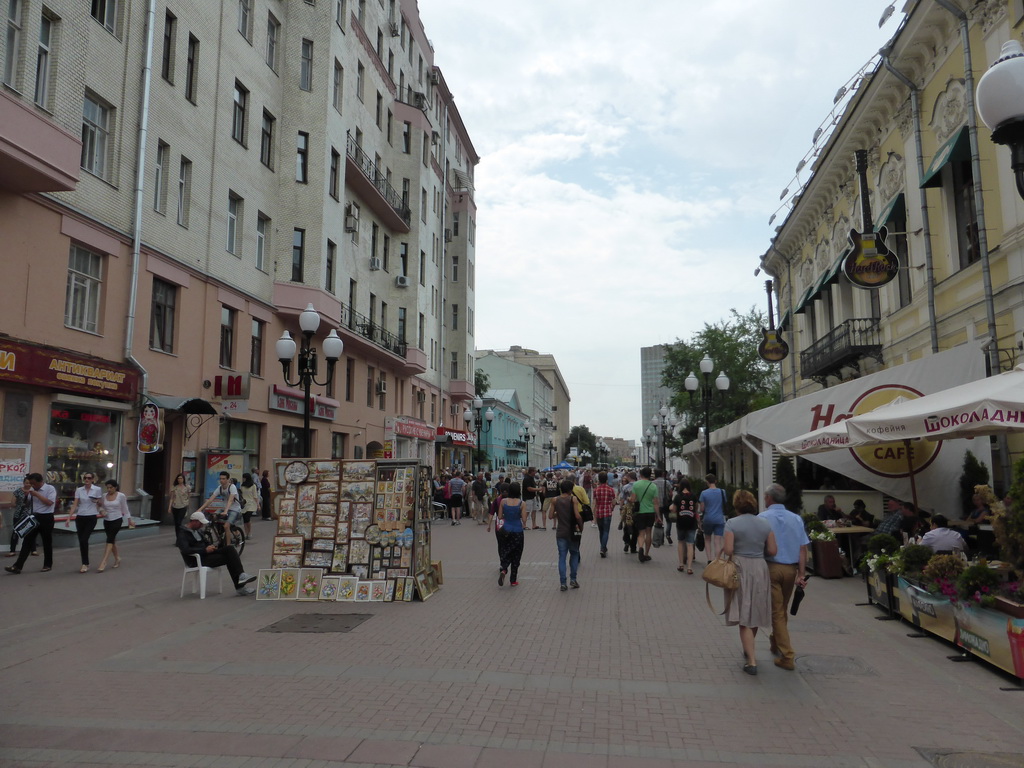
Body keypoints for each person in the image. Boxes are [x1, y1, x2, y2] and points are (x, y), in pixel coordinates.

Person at [723, 489, 777, 676]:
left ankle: (751, 661)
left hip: (739, 567)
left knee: (743, 613)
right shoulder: (765, 524)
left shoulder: (732, 523)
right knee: (753, 609)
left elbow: (728, 549)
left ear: (736, 504)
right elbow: (772, 550)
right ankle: (749, 647)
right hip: (760, 568)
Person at [760, 483, 809, 672]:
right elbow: (802, 548)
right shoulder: (796, 519)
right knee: (781, 610)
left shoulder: (762, 517)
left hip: (770, 567)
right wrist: (801, 574)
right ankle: (775, 641)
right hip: (790, 569)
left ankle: (788, 655)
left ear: (769, 498)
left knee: (777, 612)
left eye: (765, 496)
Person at [176, 511, 256, 595]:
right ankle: (240, 586)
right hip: (197, 559)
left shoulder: (198, 531)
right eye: (200, 523)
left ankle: (241, 575)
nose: (202, 526)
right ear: (194, 521)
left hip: (206, 554)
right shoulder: (182, 533)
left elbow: (206, 542)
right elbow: (186, 550)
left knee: (230, 549)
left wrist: (211, 546)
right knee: (229, 558)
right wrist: (204, 550)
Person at [6, 472, 57, 574]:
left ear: (40, 482)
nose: (32, 486)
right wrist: (25, 497)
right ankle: (17, 566)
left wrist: (37, 495)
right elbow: (28, 503)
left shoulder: (50, 489)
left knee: (47, 541)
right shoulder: (32, 490)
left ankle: (47, 564)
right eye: (31, 483)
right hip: (34, 516)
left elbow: (49, 502)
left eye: (34, 483)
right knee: (27, 541)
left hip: (46, 517)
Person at [66, 472, 103, 572]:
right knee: (82, 541)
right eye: (85, 478)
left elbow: (100, 503)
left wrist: (96, 501)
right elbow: (75, 504)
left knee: (84, 539)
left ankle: (85, 563)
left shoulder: (97, 489)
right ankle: (85, 563)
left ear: (92, 479)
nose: (86, 480)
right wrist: (69, 517)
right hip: (80, 516)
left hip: (91, 516)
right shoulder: (79, 490)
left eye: (89, 478)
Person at [492, 481, 527, 586]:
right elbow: (524, 519)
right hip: (517, 531)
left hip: (505, 530)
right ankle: (513, 580)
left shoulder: (503, 501)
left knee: (506, 551)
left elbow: (499, 516)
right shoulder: (522, 503)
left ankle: (504, 569)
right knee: (516, 554)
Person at [551, 478, 584, 591]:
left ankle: (563, 582)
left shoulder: (555, 500)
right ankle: (573, 579)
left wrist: (558, 513)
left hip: (561, 532)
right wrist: (581, 526)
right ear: (570, 490)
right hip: (573, 532)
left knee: (562, 557)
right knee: (574, 554)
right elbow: (577, 516)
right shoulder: (573, 499)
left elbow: (551, 516)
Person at [97, 479, 133, 572]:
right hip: (107, 520)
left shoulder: (121, 496)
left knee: (109, 540)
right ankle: (117, 558)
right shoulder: (104, 496)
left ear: (115, 487)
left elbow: (125, 508)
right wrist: (101, 510)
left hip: (117, 519)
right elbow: (101, 507)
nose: (109, 489)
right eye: (107, 488)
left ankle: (104, 562)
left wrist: (129, 519)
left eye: (111, 488)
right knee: (112, 540)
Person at [197, 471, 243, 543]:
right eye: (220, 479)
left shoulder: (232, 487)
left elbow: (230, 500)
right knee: (213, 518)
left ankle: (228, 546)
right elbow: (210, 500)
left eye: (224, 479)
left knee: (226, 526)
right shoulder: (220, 488)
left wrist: (226, 511)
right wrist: (200, 509)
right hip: (224, 508)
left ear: (228, 479)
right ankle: (220, 536)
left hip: (234, 509)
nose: (221, 480)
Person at [629, 467, 660, 563]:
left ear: (641, 474)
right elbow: (656, 503)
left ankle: (641, 547)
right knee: (648, 533)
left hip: (640, 512)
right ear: (650, 474)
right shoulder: (653, 486)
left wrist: (629, 500)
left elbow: (633, 500)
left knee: (641, 533)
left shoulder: (636, 485)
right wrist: (658, 516)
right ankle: (646, 553)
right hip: (650, 512)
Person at [672, 478, 699, 574]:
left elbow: (674, 510)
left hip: (681, 522)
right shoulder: (693, 496)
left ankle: (681, 564)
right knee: (690, 544)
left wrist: (671, 507)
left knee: (680, 542)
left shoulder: (678, 497)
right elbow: (696, 508)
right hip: (691, 522)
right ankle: (690, 567)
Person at [699, 474, 728, 562]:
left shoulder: (704, 493)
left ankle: (709, 560)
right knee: (717, 541)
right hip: (719, 518)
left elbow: (702, 508)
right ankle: (718, 560)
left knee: (707, 539)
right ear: (715, 481)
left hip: (708, 519)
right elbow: (725, 503)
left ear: (707, 482)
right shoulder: (722, 492)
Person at [5, 476, 36, 558]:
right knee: (16, 531)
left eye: (30, 483)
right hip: (18, 514)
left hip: (29, 514)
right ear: (23, 483)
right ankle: (12, 550)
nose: (28, 484)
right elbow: (12, 502)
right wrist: (20, 505)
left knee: (30, 531)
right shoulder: (18, 491)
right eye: (26, 483)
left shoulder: (33, 492)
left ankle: (33, 550)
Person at [591, 471, 616, 557]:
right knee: (606, 531)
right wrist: (612, 508)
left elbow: (594, 503)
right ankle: (603, 547)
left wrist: (592, 512)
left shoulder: (596, 490)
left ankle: (603, 547)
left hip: (599, 513)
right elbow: (614, 501)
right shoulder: (611, 489)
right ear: (606, 479)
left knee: (601, 531)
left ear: (599, 480)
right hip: (607, 512)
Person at [654, 468, 672, 545]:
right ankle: (667, 534)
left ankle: (661, 539)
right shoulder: (667, 482)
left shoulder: (653, 483)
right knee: (669, 520)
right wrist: (670, 498)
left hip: (657, 504)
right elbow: (671, 493)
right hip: (666, 504)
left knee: (659, 520)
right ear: (662, 474)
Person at [239, 473, 260, 539]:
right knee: (245, 519)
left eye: (244, 477)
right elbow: (241, 494)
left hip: (251, 503)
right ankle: (246, 533)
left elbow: (255, 495)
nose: (243, 479)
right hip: (244, 504)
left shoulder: (253, 485)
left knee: (247, 518)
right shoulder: (242, 485)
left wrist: (258, 504)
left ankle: (250, 532)